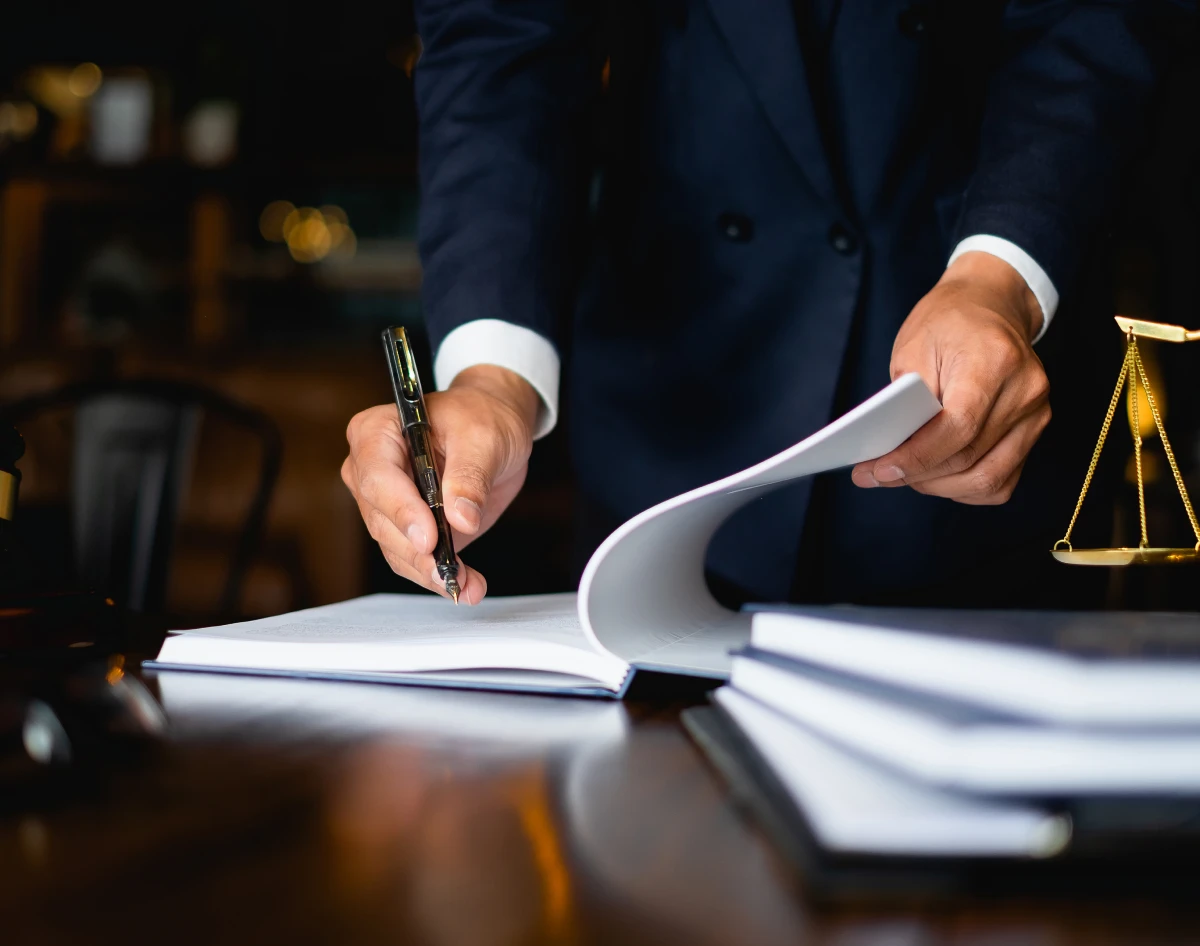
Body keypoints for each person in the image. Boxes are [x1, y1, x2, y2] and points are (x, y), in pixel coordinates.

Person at [343, 0, 1179, 608]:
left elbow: (1086, 24)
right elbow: (500, 42)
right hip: (671, 436)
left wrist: (999, 277)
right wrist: (492, 379)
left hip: (972, 411)